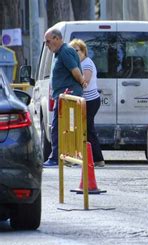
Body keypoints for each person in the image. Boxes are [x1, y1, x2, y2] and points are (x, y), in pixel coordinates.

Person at [43, 28, 85, 167]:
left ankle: (56, 158)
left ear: (56, 38)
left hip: (68, 95)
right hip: (63, 96)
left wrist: (82, 82)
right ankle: (68, 156)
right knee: (64, 127)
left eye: (48, 41)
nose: (47, 45)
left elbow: (76, 71)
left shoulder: (65, 51)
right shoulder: (58, 53)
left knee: (59, 127)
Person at [70, 39, 105, 167]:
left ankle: (97, 159)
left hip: (90, 101)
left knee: (88, 129)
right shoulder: (78, 64)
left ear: (84, 51)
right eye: (72, 51)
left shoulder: (87, 64)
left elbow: (85, 82)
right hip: (83, 101)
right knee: (83, 129)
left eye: (77, 50)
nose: (74, 53)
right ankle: (85, 157)